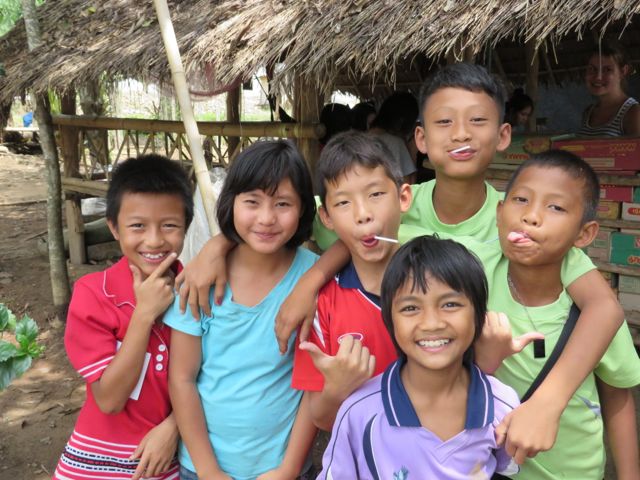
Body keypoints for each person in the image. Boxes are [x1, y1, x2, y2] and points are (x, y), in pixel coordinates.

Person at [177, 63, 624, 461]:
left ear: (503, 134)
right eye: (444, 122)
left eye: (477, 121)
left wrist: (548, 401)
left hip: (493, 429)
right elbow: (293, 220)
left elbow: (604, 307)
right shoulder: (391, 205)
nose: (461, 134)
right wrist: (224, 248)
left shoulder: (523, 221)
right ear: (420, 138)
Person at [165, 140, 318, 480]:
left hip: (283, 468)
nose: (266, 218)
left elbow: (313, 384)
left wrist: (288, 469)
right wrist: (208, 471)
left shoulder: (314, 279)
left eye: (283, 204)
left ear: (304, 209)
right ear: (231, 202)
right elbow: (182, 378)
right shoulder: (200, 279)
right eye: (252, 201)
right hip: (202, 467)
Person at [485, 150, 640, 479]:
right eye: (521, 199)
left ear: (584, 234)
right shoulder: (474, 272)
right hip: (487, 468)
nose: (531, 216)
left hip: (572, 472)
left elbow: (617, 395)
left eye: (555, 207)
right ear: (499, 212)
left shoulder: (589, 311)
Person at [319, 236, 520, 479]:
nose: (431, 323)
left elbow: (504, 465)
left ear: (478, 315)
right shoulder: (360, 412)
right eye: (411, 308)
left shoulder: (503, 405)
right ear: (390, 321)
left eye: (450, 304)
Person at [53, 154, 193, 479]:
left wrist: (174, 427)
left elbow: (213, 379)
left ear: (186, 226)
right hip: (93, 461)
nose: (154, 240)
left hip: (167, 461)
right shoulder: (93, 294)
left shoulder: (196, 292)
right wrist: (144, 315)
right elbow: (109, 400)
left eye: (169, 225)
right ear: (114, 227)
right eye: (138, 226)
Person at [291, 131, 413, 431]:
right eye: (343, 202)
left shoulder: (437, 281)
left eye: (376, 194)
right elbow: (320, 418)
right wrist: (337, 387)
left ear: (403, 198)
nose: (363, 214)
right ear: (326, 217)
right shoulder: (321, 306)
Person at [578, 40, 640, 137]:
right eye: (592, 69)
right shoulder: (588, 112)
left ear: (623, 71)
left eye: (607, 69)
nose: (598, 77)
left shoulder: (633, 112)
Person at [368, 91, 419, 182]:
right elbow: (408, 184)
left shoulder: (360, 139)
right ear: (402, 121)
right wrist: (413, 151)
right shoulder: (395, 143)